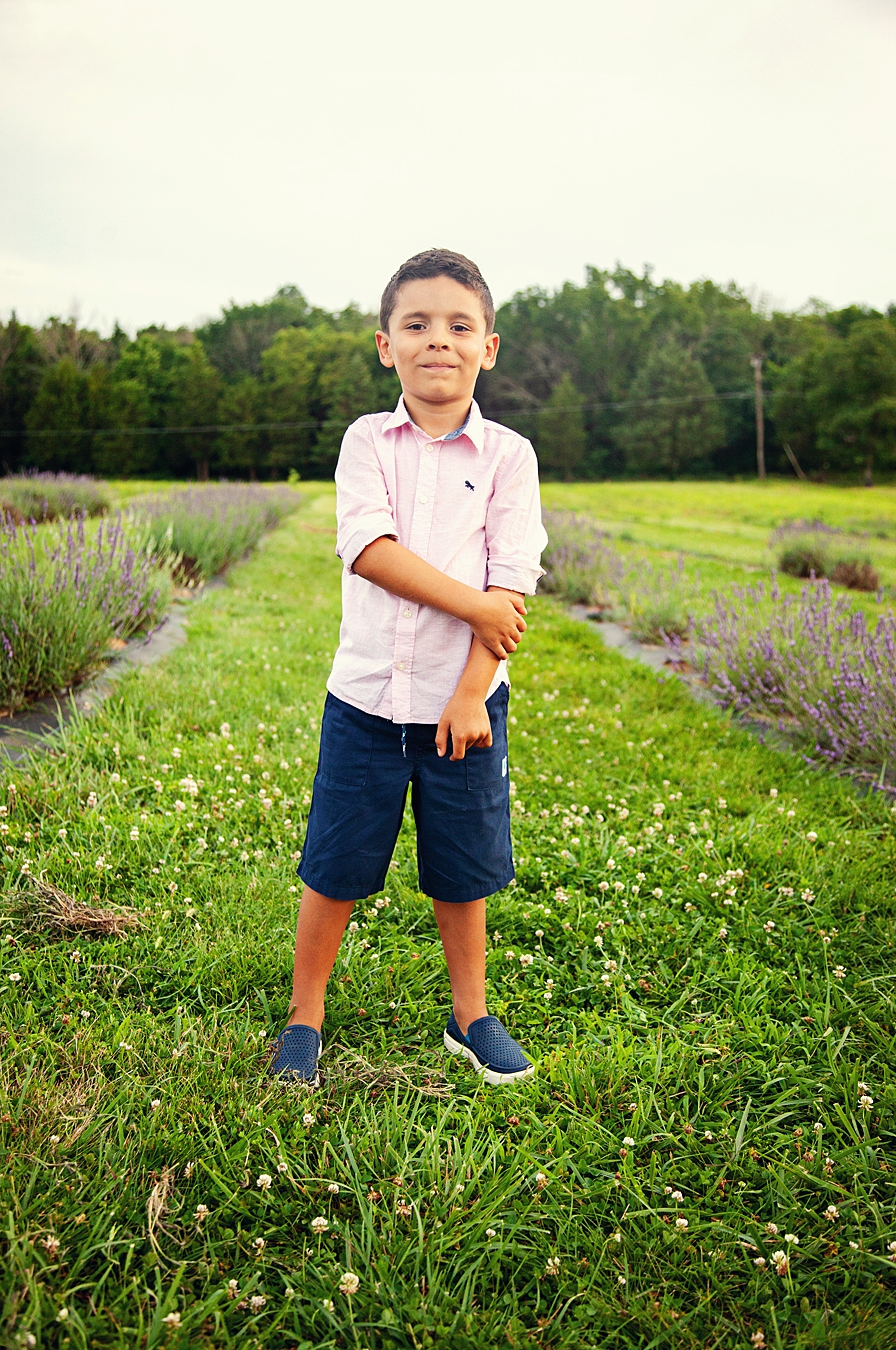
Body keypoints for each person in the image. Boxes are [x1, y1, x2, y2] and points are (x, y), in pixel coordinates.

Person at [269, 248, 547, 1087]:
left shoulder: (508, 455)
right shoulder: (367, 442)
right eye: (416, 324)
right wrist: (476, 607)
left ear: (487, 348)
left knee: (463, 869)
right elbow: (371, 551)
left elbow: (513, 584)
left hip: (466, 705)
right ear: (385, 344)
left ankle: (473, 1015)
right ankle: (304, 1018)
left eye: (460, 326)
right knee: (336, 865)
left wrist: (470, 692)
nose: (439, 340)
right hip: (365, 700)